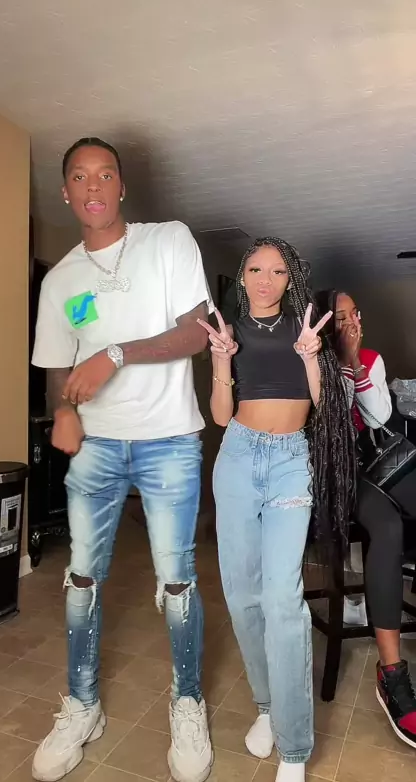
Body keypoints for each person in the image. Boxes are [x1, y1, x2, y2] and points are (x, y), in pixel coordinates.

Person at [31, 137, 214, 782]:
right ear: (66, 192)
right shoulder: (60, 281)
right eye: (80, 177)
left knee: (177, 581)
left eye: (105, 174)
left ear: (121, 185)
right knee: (81, 577)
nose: (94, 186)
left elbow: (196, 333)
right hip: (97, 447)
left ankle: (187, 702)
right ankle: (82, 705)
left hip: (170, 441)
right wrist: (65, 409)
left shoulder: (168, 241)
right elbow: (58, 364)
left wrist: (115, 354)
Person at [197, 239, 356, 782]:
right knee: (242, 596)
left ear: (292, 279)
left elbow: (325, 407)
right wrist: (221, 359)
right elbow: (222, 416)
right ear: (242, 276)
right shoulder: (230, 333)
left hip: (291, 462)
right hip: (238, 458)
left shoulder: (304, 328)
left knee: (282, 599)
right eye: (255, 269)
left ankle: (294, 747)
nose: (266, 279)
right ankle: (267, 706)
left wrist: (312, 358)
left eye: (278, 271)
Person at [316, 290, 416, 750]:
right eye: (342, 317)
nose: (353, 321)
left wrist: (356, 361)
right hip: (338, 473)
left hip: (376, 463)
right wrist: (341, 361)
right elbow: (330, 419)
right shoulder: (312, 361)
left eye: (355, 313)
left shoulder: (370, 358)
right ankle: (392, 673)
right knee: (389, 527)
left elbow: (378, 417)